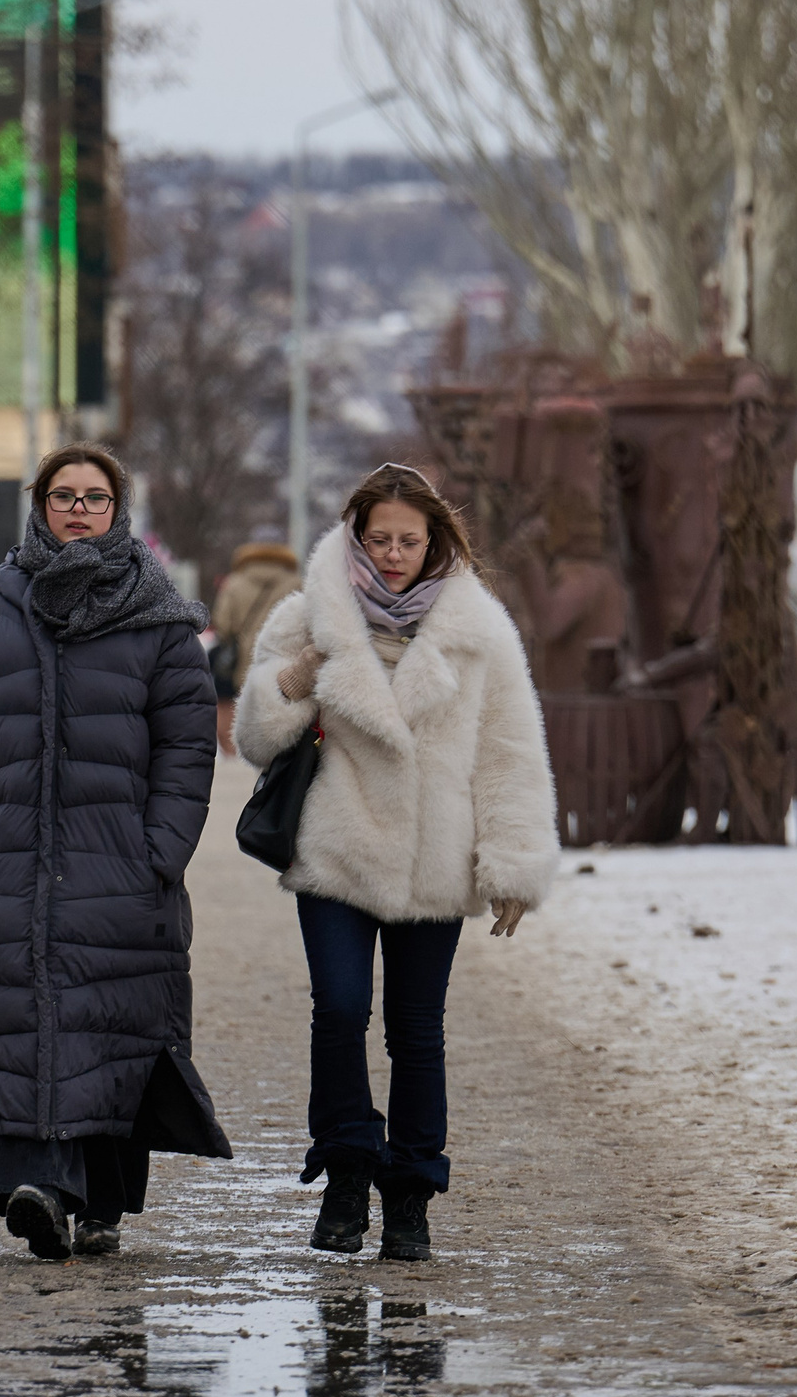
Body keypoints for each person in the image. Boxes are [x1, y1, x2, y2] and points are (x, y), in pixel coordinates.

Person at [235, 464, 556, 1262]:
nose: (391, 553)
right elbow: (254, 739)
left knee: (418, 1032)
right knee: (339, 1010)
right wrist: (292, 678)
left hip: (432, 860)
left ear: (435, 540)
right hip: (338, 849)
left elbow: (510, 751)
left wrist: (512, 861)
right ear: (354, 535)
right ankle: (347, 1170)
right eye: (377, 538)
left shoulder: (479, 629)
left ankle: (410, 1192)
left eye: (407, 540)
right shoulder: (311, 615)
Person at [0, 444, 233, 1261]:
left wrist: (160, 849)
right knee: (37, 1020)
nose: (76, 510)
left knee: (112, 1027)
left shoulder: (161, 619)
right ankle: (43, 1186)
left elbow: (186, 747)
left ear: (117, 511)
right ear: (39, 507)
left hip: (123, 870)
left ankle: (96, 1195)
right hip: (14, 866)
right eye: (62, 496)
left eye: (93, 498)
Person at [207, 535, 304, 755]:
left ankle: (234, 755)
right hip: (281, 661)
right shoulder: (294, 582)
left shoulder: (235, 582)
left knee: (229, 709)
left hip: (236, 662)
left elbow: (223, 624)